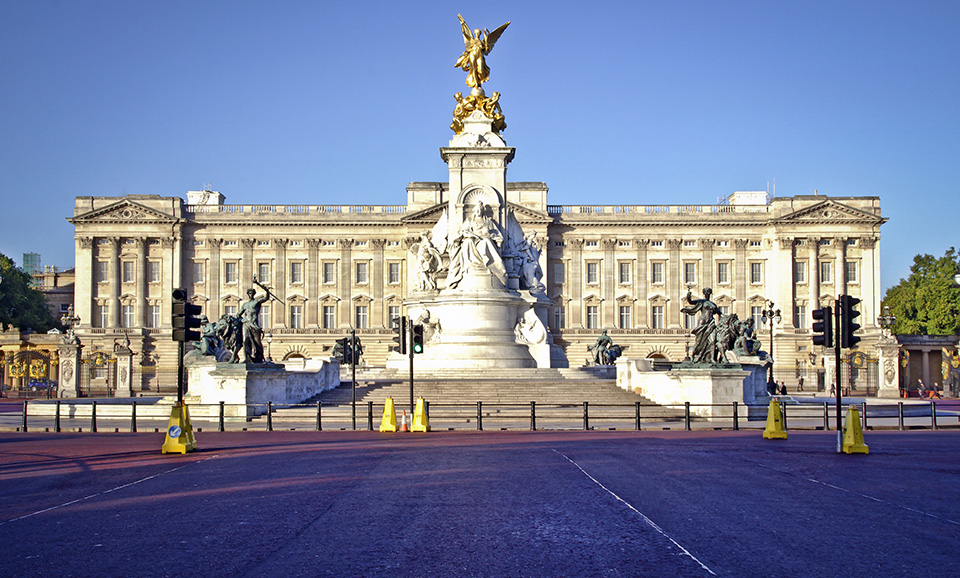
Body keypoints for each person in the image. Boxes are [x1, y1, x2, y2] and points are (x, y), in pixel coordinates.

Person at [447, 202, 506, 288]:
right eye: (477, 210)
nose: (478, 211)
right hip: (472, 239)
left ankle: (496, 267)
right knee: (468, 241)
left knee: (487, 241)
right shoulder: (469, 220)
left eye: (480, 210)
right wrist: (467, 235)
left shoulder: (488, 221)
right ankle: (470, 266)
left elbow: (496, 233)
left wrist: (494, 237)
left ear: (482, 211)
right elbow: (462, 231)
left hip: (484, 239)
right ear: (474, 211)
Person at [680, 288, 720, 364]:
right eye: (706, 293)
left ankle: (711, 358)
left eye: (708, 293)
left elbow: (720, 314)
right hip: (702, 322)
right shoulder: (701, 302)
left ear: (710, 294)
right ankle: (695, 355)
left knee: (712, 341)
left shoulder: (713, 304)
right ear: (704, 294)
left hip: (711, 322)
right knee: (699, 340)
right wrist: (688, 296)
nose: (707, 294)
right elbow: (691, 302)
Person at [239, 288, 269, 363]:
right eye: (249, 293)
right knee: (245, 341)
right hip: (246, 323)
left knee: (257, 342)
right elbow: (238, 314)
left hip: (254, 324)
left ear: (254, 294)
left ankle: (260, 357)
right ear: (248, 294)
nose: (250, 294)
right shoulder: (245, 305)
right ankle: (247, 358)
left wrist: (267, 291)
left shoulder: (257, 302)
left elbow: (266, 298)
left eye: (252, 293)